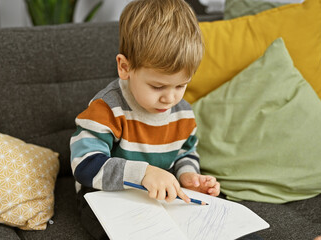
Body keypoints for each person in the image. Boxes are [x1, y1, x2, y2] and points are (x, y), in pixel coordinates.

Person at [70, 0, 220, 239]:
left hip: (156, 198)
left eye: (181, 85)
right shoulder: (107, 109)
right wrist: (143, 173)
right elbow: (84, 166)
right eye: (157, 86)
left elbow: (185, 153)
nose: (169, 98)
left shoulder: (182, 113)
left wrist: (188, 177)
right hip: (104, 197)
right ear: (125, 67)